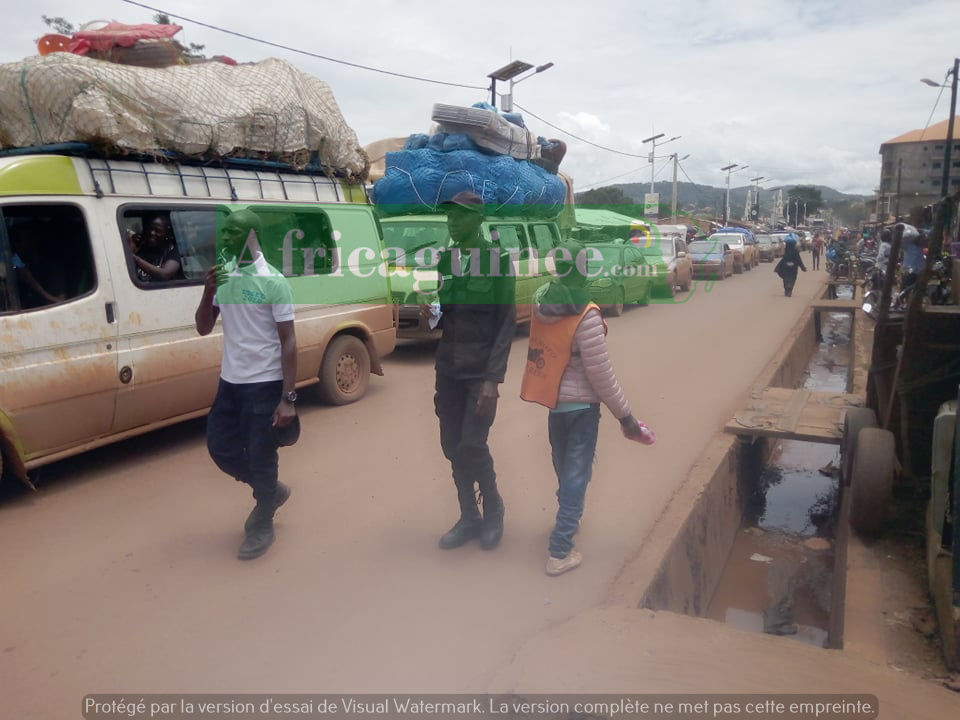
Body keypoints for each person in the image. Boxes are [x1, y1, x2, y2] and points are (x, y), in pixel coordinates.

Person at [521, 239, 648, 576]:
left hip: (552, 402)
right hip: (580, 408)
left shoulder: (541, 300)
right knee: (576, 474)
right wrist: (627, 417)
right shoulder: (586, 315)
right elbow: (601, 376)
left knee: (566, 468)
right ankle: (560, 550)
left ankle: (568, 520)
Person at [195, 209, 299, 560]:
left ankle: (262, 523)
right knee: (219, 448)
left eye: (232, 233)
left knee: (261, 454)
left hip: (264, 383)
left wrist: (288, 398)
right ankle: (269, 491)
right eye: (223, 232)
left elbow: (289, 342)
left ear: (252, 235)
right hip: (231, 382)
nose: (224, 239)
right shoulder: (223, 277)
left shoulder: (273, 281)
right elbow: (203, 327)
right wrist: (207, 290)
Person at [429, 191, 516, 551]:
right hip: (448, 368)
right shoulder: (446, 260)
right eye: (449, 216)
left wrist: (493, 380)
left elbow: (506, 321)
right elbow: (445, 311)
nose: (452, 221)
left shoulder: (498, 260)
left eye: (460, 216)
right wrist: (431, 311)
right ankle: (469, 516)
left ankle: (493, 509)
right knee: (452, 446)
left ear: (477, 220)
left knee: (472, 444)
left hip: (480, 372)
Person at [9, 221, 67, 308]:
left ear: (32, 243)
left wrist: (32, 283)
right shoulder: (12, 267)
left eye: (19, 242)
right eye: (12, 242)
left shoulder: (51, 269)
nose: (14, 247)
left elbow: (60, 304)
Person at [132, 214, 185, 282]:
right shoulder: (142, 246)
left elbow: (165, 274)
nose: (152, 233)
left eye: (158, 231)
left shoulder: (173, 250)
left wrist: (135, 258)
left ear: (166, 233)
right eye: (150, 228)